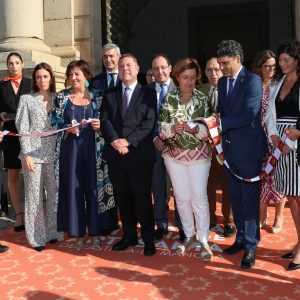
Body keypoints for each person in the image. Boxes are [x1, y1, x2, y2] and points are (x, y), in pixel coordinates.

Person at [52, 59, 115, 250]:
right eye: (70, 74)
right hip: (71, 152)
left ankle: (95, 233)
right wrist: (66, 128)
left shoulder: (98, 96)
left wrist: (100, 125)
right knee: (74, 190)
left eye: (77, 74)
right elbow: (53, 121)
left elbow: (108, 120)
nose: (73, 77)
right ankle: (79, 233)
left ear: (86, 75)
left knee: (94, 190)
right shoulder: (62, 97)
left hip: (95, 152)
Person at [216, 40, 268, 269]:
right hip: (229, 151)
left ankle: (251, 246)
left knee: (248, 200)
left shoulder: (253, 80)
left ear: (238, 58)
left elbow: (249, 115)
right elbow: (222, 112)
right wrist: (215, 122)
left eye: (225, 63)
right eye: (219, 64)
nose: (222, 68)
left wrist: (219, 124)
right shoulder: (221, 83)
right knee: (235, 197)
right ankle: (239, 237)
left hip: (248, 151)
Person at [100, 54, 157, 256]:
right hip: (116, 155)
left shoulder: (148, 93)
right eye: (122, 65)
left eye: (129, 65)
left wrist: (129, 141)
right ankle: (129, 236)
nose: (125, 68)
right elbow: (105, 120)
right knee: (123, 199)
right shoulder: (109, 94)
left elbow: (149, 122)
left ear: (137, 68)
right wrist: (116, 141)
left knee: (142, 199)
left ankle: (149, 240)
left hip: (139, 155)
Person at [158, 57, 213, 261]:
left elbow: (210, 130)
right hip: (174, 157)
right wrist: (173, 128)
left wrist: (196, 128)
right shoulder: (169, 99)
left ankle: (203, 239)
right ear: (177, 78)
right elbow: (161, 129)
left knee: (198, 196)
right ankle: (189, 236)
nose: (189, 82)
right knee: (181, 197)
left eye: (192, 77)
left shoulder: (203, 99)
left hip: (199, 157)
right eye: (185, 77)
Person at [15, 63, 63, 251]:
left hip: (54, 154)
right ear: (34, 80)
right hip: (33, 155)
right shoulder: (27, 99)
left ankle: (53, 232)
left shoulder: (59, 98)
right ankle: (36, 237)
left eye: (45, 76)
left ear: (51, 78)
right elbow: (23, 128)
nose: (42, 80)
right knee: (34, 196)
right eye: (38, 77)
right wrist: (26, 154)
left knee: (53, 195)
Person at [265, 40, 300, 271]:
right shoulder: (278, 83)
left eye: (287, 60)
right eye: (280, 60)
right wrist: (275, 138)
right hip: (280, 146)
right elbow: (270, 114)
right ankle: (299, 243)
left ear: (298, 60)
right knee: (291, 195)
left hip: (297, 147)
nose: (282, 64)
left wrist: (296, 137)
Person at [149, 54, 184, 241]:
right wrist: (155, 138)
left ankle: (182, 224)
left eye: (163, 67)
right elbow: (144, 120)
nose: (160, 72)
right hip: (155, 147)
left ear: (170, 68)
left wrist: (170, 139)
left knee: (179, 187)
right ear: (152, 71)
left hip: (176, 147)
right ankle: (161, 223)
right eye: (156, 68)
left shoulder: (181, 90)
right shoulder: (145, 91)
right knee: (158, 186)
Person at [200, 57, 235, 237]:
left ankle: (229, 221)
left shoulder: (230, 88)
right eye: (209, 70)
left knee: (228, 185)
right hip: (204, 147)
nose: (213, 73)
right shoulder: (200, 90)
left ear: (221, 69)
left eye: (216, 69)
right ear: (205, 72)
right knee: (208, 184)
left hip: (226, 145)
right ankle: (211, 219)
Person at [252, 50, 286, 233]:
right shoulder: (254, 85)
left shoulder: (279, 84)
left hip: (275, 136)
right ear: (259, 67)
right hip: (257, 137)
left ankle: (279, 216)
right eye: (267, 66)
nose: (271, 69)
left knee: (278, 175)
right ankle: (262, 214)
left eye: (274, 66)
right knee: (262, 176)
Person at [0, 52, 31, 231]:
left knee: (29, 175)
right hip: (10, 136)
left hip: (28, 136)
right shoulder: (2, 86)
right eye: (10, 63)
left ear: (22, 64)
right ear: (7, 66)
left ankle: (30, 213)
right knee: (13, 174)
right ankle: (19, 217)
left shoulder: (29, 83)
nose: (13, 66)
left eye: (17, 62)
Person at [92, 43, 120, 235]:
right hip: (103, 140)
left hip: (126, 140)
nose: (108, 60)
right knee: (106, 182)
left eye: (111, 56)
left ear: (118, 57)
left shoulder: (131, 79)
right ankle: (108, 222)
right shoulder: (95, 82)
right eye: (105, 57)